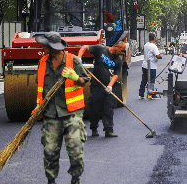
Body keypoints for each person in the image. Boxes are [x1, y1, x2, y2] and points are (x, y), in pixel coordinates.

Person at [34, 31, 89, 184]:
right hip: (51, 114)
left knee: (75, 149)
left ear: (54, 47)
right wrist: (38, 107)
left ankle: (75, 179)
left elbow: (85, 81)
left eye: (46, 45)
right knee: (50, 151)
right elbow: (40, 88)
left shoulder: (74, 61)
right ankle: (51, 181)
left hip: (73, 114)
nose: (43, 47)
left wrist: (75, 77)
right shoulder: (43, 62)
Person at [77, 33, 127, 137]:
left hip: (108, 88)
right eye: (121, 50)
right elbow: (85, 47)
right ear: (116, 46)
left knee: (108, 109)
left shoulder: (118, 60)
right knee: (94, 108)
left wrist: (110, 86)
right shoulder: (100, 49)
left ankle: (109, 130)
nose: (122, 53)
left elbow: (116, 74)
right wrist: (78, 59)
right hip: (96, 86)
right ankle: (94, 128)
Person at [139, 32, 162, 99]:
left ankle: (141, 94)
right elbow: (157, 56)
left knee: (144, 79)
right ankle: (151, 95)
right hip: (151, 66)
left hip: (145, 65)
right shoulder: (154, 46)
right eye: (156, 37)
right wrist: (160, 57)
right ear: (154, 38)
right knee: (152, 80)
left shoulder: (146, 45)